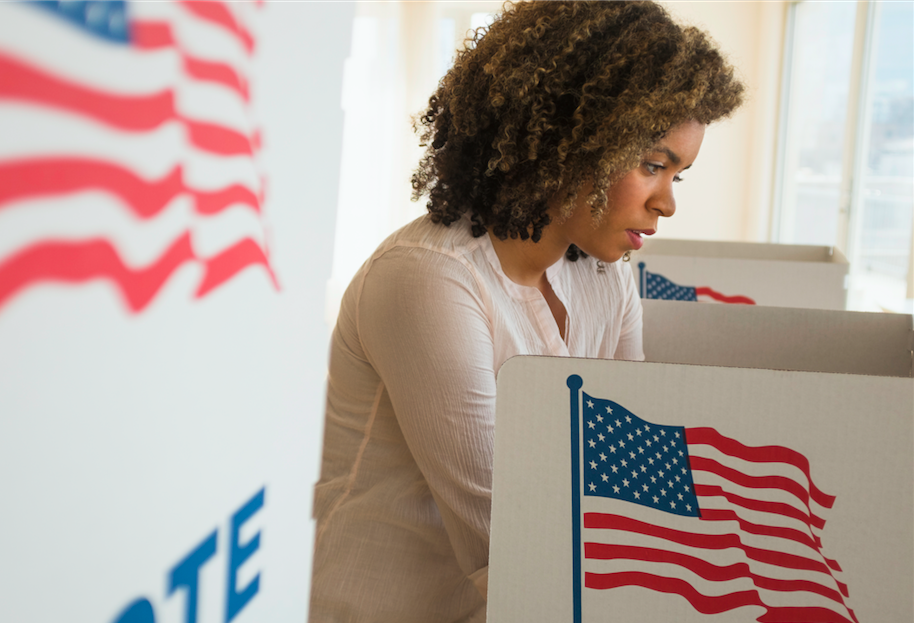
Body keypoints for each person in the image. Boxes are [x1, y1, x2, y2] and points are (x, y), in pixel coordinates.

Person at [309, 2, 745, 621]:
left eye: (680, 175)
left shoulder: (603, 275)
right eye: (653, 165)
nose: (667, 203)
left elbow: (623, 477)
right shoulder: (430, 278)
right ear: (573, 141)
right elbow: (507, 536)